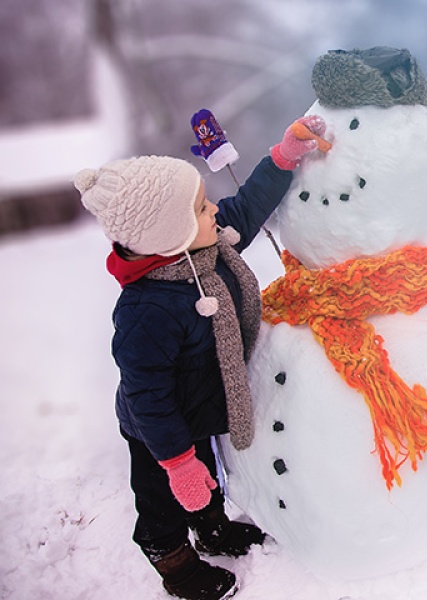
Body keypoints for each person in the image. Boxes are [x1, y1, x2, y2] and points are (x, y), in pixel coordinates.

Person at [73, 115, 326, 600]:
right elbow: (148, 397)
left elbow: (248, 206)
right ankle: (174, 562)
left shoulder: (205, 246)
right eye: (201, 207)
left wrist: (284, 156)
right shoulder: (146, 311)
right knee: (165, 501)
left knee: (207, 477)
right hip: (158, 429)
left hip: (199, 403)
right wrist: (176, 461)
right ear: (170, 233)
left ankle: (213, 529)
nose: (214, 209)